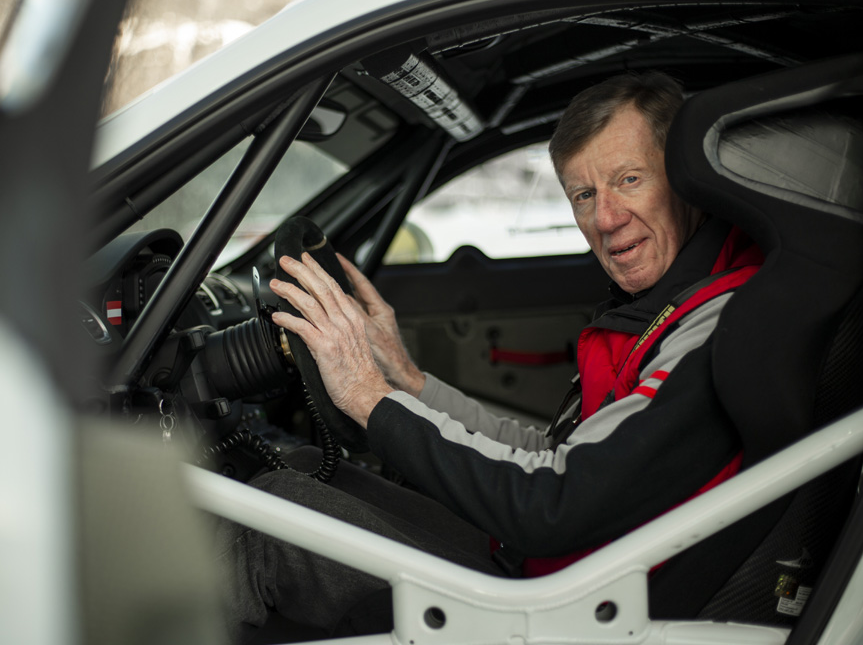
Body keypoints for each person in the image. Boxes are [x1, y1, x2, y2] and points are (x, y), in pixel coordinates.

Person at [215, 71, 763, 641]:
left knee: (266, 527)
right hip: (550, 567)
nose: (604, 218)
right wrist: (403, 380)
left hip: (567, 611)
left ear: (686, 179)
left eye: (628, 179)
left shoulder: (715, 324)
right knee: (300, 471)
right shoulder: (662, 306)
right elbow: (555, 458)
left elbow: (553, 503)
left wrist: (366, 397)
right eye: (583, 194)